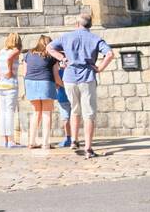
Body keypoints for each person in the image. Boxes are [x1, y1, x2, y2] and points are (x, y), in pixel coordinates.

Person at [48, 11, 115, 159]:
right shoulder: (95, 39)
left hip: (69, 78)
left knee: (74, 109)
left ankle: (74, 140)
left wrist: (62, 58)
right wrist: (100, 68)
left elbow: (49, 47)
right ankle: (88, 148)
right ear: (90, 25)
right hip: (87, 77)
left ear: (77, 24)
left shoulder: (66, 37)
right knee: (89, 113)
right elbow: (110, 54)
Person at [0, 33, 24, 148]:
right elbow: (10, 58)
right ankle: (11, 141)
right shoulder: (16, 51)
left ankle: (5, 140)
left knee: (3, 113)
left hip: (1, 86)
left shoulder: (1, 51)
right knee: (10, 113)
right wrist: (10, 71)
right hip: (11, 86)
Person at [23, 36, 61, 150]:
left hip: (30, 83)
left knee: (36, 113)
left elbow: (24, 73)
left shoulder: (28, 54)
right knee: (46, 114)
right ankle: (45, 143)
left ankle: (31, 141)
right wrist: (63, 85)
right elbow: (56, 76)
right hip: (46, 83)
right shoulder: (52, 56)